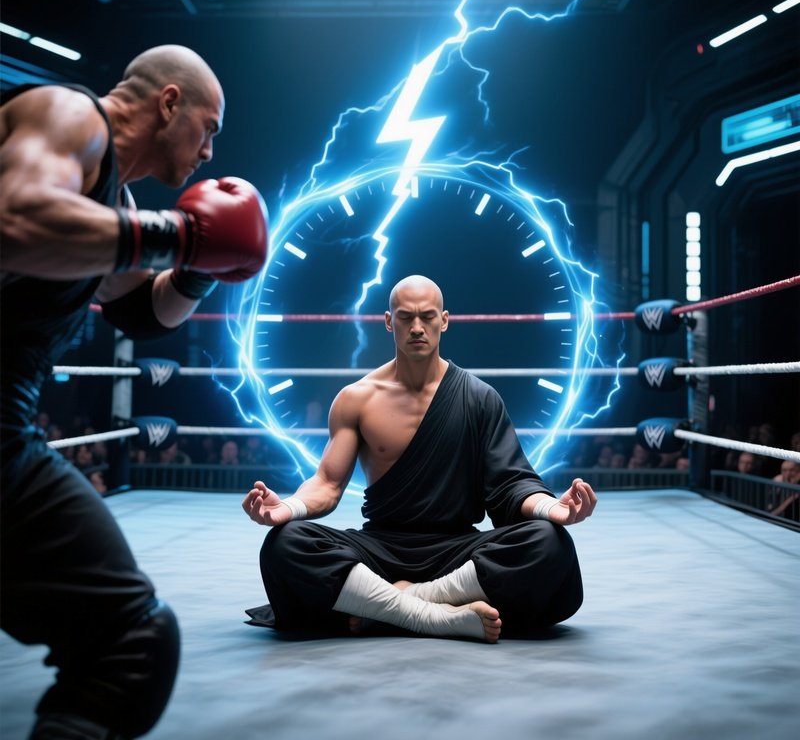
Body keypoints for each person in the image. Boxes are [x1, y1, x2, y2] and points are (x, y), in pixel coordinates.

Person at [1, 45, 268, 739]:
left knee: (131, 640)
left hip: (7, 427)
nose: (210, 151)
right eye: (209, 127)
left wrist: (201, 266)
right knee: (130, 641)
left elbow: (144, 313)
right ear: (169, 103)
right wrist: (180, 234)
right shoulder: (67, 115)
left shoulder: (112, 201)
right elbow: (16, 218)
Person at [243, 275, 596, 643]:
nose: (416, 328)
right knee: (285, 543)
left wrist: (552, 508)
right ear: (387, 321)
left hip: (457, 551)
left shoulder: (479, 397)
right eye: (405, 317)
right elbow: (328, 485)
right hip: (380, 549)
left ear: (444, 320)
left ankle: (396, 605)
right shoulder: (356, 398)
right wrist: (287, 508)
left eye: (427, 317)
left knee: (549, 542)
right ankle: (433, 616)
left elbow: (512, 483)